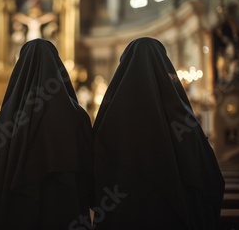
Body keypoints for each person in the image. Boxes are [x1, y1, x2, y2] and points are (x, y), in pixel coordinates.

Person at [92, 37, 225, 229]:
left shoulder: (109, 118)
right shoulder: (182, 117)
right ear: (165, 66)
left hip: (124, 215)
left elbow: (96, 174)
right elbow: (209, 176)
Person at [0, 38, 93, 230]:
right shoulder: (77, 116)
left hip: (17, 212)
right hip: (65, 211)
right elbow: (90, 168)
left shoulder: (5, 117)